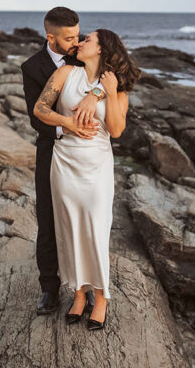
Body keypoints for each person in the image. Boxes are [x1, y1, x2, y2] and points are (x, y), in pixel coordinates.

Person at [33, 28, 141, 330]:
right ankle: (79, 294)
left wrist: (103, 93)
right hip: (65, 159)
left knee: (95, 228)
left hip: (96, 164)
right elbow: (40, 108)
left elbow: (117, 130)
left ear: (102, 49)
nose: (80, 43)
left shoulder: (117, 87)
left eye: (87, 40)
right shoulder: (66, 72)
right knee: (68, 228)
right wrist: (67, 122)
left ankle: (102, 297)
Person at [20, 7, 100, 315]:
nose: (75, 42)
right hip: (51, 149)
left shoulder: (84, 52)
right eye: (68, 38)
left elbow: (112, 75)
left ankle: (89, 287)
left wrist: (95, 96)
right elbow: (35, 119)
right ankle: (49, 289)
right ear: (49, 37)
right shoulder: (32, 68)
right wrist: (67, 125)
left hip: (86, 153)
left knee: (85, 218)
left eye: (78, 34)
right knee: (48, 219)